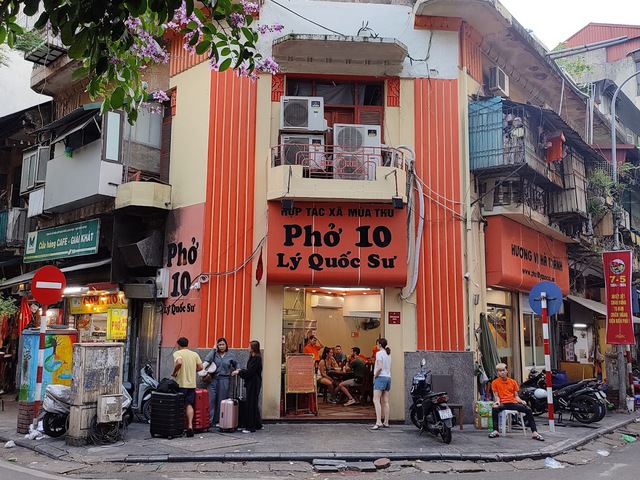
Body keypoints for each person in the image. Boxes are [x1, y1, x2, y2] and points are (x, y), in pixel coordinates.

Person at [488, 363, 544, 441]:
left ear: (507, 371)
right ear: (497, 372)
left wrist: (521, 401)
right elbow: (496, 395)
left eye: (503, 370)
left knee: (528, 409)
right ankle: (496, 430)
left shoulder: (513, 382)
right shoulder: (495, 382)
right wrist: (497, 402)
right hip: (503, 403)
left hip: (513, 403)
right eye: (500, 371)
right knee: (495, 408)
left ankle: (534, 432)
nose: (502, 373)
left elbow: (516, 396)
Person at [171, 337, 203, 437]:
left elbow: (179, 362)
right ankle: (189, 425)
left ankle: (179, 427)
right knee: (189, 404)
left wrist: (174, 372)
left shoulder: (178, 353)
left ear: (178, 345)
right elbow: (201, 367)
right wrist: (193, 370)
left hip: (181, 384)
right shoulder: (194, 354)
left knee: (179, 405)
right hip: (191, 384)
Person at [203, 337, 237, 427]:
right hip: (213, 379)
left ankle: (219, 420)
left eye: (223, 345)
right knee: (211, 400)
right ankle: (210, 421)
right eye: (220, 345)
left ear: (226, 345)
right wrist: (213, 349)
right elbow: (207, 359)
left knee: (221, 400)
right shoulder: (214, 354)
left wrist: (237, 370)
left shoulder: (231, 355)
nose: (221, 346)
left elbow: (236, 364)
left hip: (224, 379)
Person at [232, 340, 263, 433]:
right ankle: (257, 423)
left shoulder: (256, 358)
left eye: (249, 346)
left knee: (251, 403)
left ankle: (251, 427)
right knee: (253, 403)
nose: (247, 348)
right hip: (252, 382)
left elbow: (251, 372)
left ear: (253, 348)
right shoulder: (253, 357)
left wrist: (240, 372)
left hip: (253, 383)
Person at [372, 338, 391, 430]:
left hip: (380, 377)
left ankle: (378, 421)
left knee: (376, 400)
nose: (376, 346)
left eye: (377, 344)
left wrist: (375, 376)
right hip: (388, 377)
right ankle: (386, 421)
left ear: (379, 344)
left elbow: (379, 367)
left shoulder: (379, 354)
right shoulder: (388, 354)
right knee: (385, 401)